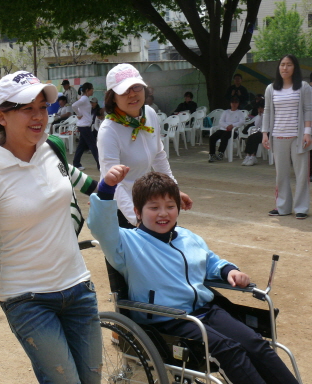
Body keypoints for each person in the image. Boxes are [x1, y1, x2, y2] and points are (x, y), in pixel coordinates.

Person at [0, 70, 102, 384]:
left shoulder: (53, 148)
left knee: (91, 379)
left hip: (79, 288)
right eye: (27, 108)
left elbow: (86, 184)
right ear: (1, 116)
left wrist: (140, 199)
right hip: (28, 299)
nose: (38, 116)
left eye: (42, 107)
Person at [88, 168, 300, 384]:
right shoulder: (126, 243)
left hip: (206, 310)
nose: (164, 213)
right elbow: (100, 226)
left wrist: (230, 271)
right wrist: (106, 189)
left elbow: (210, 262)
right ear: (138, 212)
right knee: (229, 349)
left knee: (256, 343)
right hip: (167, 318)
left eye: (171, 206)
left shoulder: (187, 237)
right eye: (154, 208)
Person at [97, 63, 193, 228]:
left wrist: (174, 192)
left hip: (146, 202)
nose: (132, 94)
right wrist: (137, 220)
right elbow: (115, 185)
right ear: (113, 96)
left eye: (136, 87)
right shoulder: (109, 130)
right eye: (124, 90)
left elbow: (159, 155)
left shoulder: (149, 113)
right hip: (120, 209)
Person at [262, 54, 312, 219]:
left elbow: (308, 110)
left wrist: (307, 133)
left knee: (302, 174)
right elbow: (268, 111)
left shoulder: (303, 87)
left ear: (295, 67)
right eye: (282, 64)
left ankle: (301, 208)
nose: (285, 68)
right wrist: (265, 133)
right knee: (281, 174)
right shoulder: (271, 88)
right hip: (278, 137)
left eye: (289, 65)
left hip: (298, 138)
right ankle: (282, 207)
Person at [72, 82, 100, 171]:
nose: (93, 91)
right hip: (84, 126)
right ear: (87, 90)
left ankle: (76, 163)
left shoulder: (85, 99)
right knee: (93, 146)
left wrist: (79, 114)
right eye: (92, 89)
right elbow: (74, 105)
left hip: (84, 125)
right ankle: (100, 165)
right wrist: (78, 114)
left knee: (81, 146)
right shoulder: (84, 99)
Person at [208, 96, 245, 163]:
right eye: (232, 102)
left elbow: (242, 122)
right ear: (230, 103)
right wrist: (226, 126)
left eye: (236, 103)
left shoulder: (240, 113)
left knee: (224, 136)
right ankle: (212, 154)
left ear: (238, 104)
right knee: (212, 137)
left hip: (233, 131)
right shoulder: (226, 112)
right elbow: (221, 121)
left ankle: (221, 152)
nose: (234, 104)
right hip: (223, 129)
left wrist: (232, 125)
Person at [242, 100, 265, 166]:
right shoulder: (260, 116)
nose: (260, 109)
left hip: (267, 133)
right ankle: (248, 155)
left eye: (261, 108)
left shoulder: (269, 115)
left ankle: (253, 156)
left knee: (255, 138)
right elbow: (257, 125)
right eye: (259, 108)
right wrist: (260, 116)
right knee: (250, 137)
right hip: (260, 132)